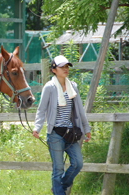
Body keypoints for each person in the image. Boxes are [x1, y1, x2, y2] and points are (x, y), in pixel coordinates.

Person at [32, 55, 91, 195]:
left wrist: (86, 128)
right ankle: (59, 191)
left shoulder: (73, 87)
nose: (65, 69)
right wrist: (37, 127)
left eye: (67, 67)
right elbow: (41, 110)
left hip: (71, 133)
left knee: (78, 164)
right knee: (58, 169)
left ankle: (58, 187)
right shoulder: (49, 87)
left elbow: (80, 111)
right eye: (62, 67)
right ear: (53, 70)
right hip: (55, 134)